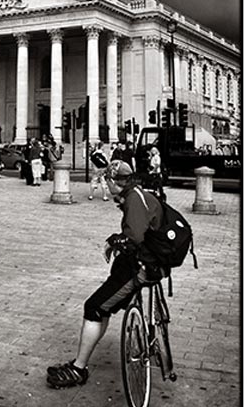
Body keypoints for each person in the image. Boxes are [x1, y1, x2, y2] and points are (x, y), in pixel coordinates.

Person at [46, 161, 165, 389]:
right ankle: (80, 361)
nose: (107, 186)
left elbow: (135, 237)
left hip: (141, 267)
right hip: (147, 260)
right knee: (104, 305)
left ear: (112, 182)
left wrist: (115, 240)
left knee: (94, 307)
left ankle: (78, 369)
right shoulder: (137, 194)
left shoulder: (133, 200)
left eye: (107, 181)